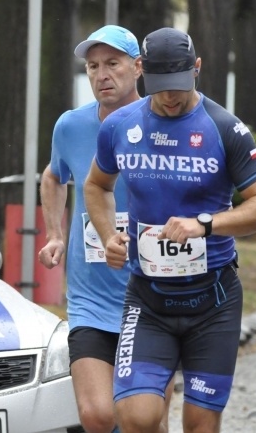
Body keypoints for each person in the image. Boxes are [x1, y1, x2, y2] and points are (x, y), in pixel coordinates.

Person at [83, 27, 256, 433]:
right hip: (148, 299)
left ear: (198, 68)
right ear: (141, 71)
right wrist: (108, 236)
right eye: (159, 87)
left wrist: (206, 224)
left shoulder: (225, 128)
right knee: (137, 418)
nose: (170, 97)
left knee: (199, 425)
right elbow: (96, 185)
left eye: (178, 85)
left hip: (213, 300)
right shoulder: (120, 126)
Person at [38, 25, 172, 433]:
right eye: (93, 66)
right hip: (91, 296)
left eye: (112, 64)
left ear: (138, 68)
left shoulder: (165, 123)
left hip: (154, 295)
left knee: (145, 419)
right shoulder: (71, 126)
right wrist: (55, 234)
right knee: (97, 415)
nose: (101, 75)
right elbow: (52, 176)